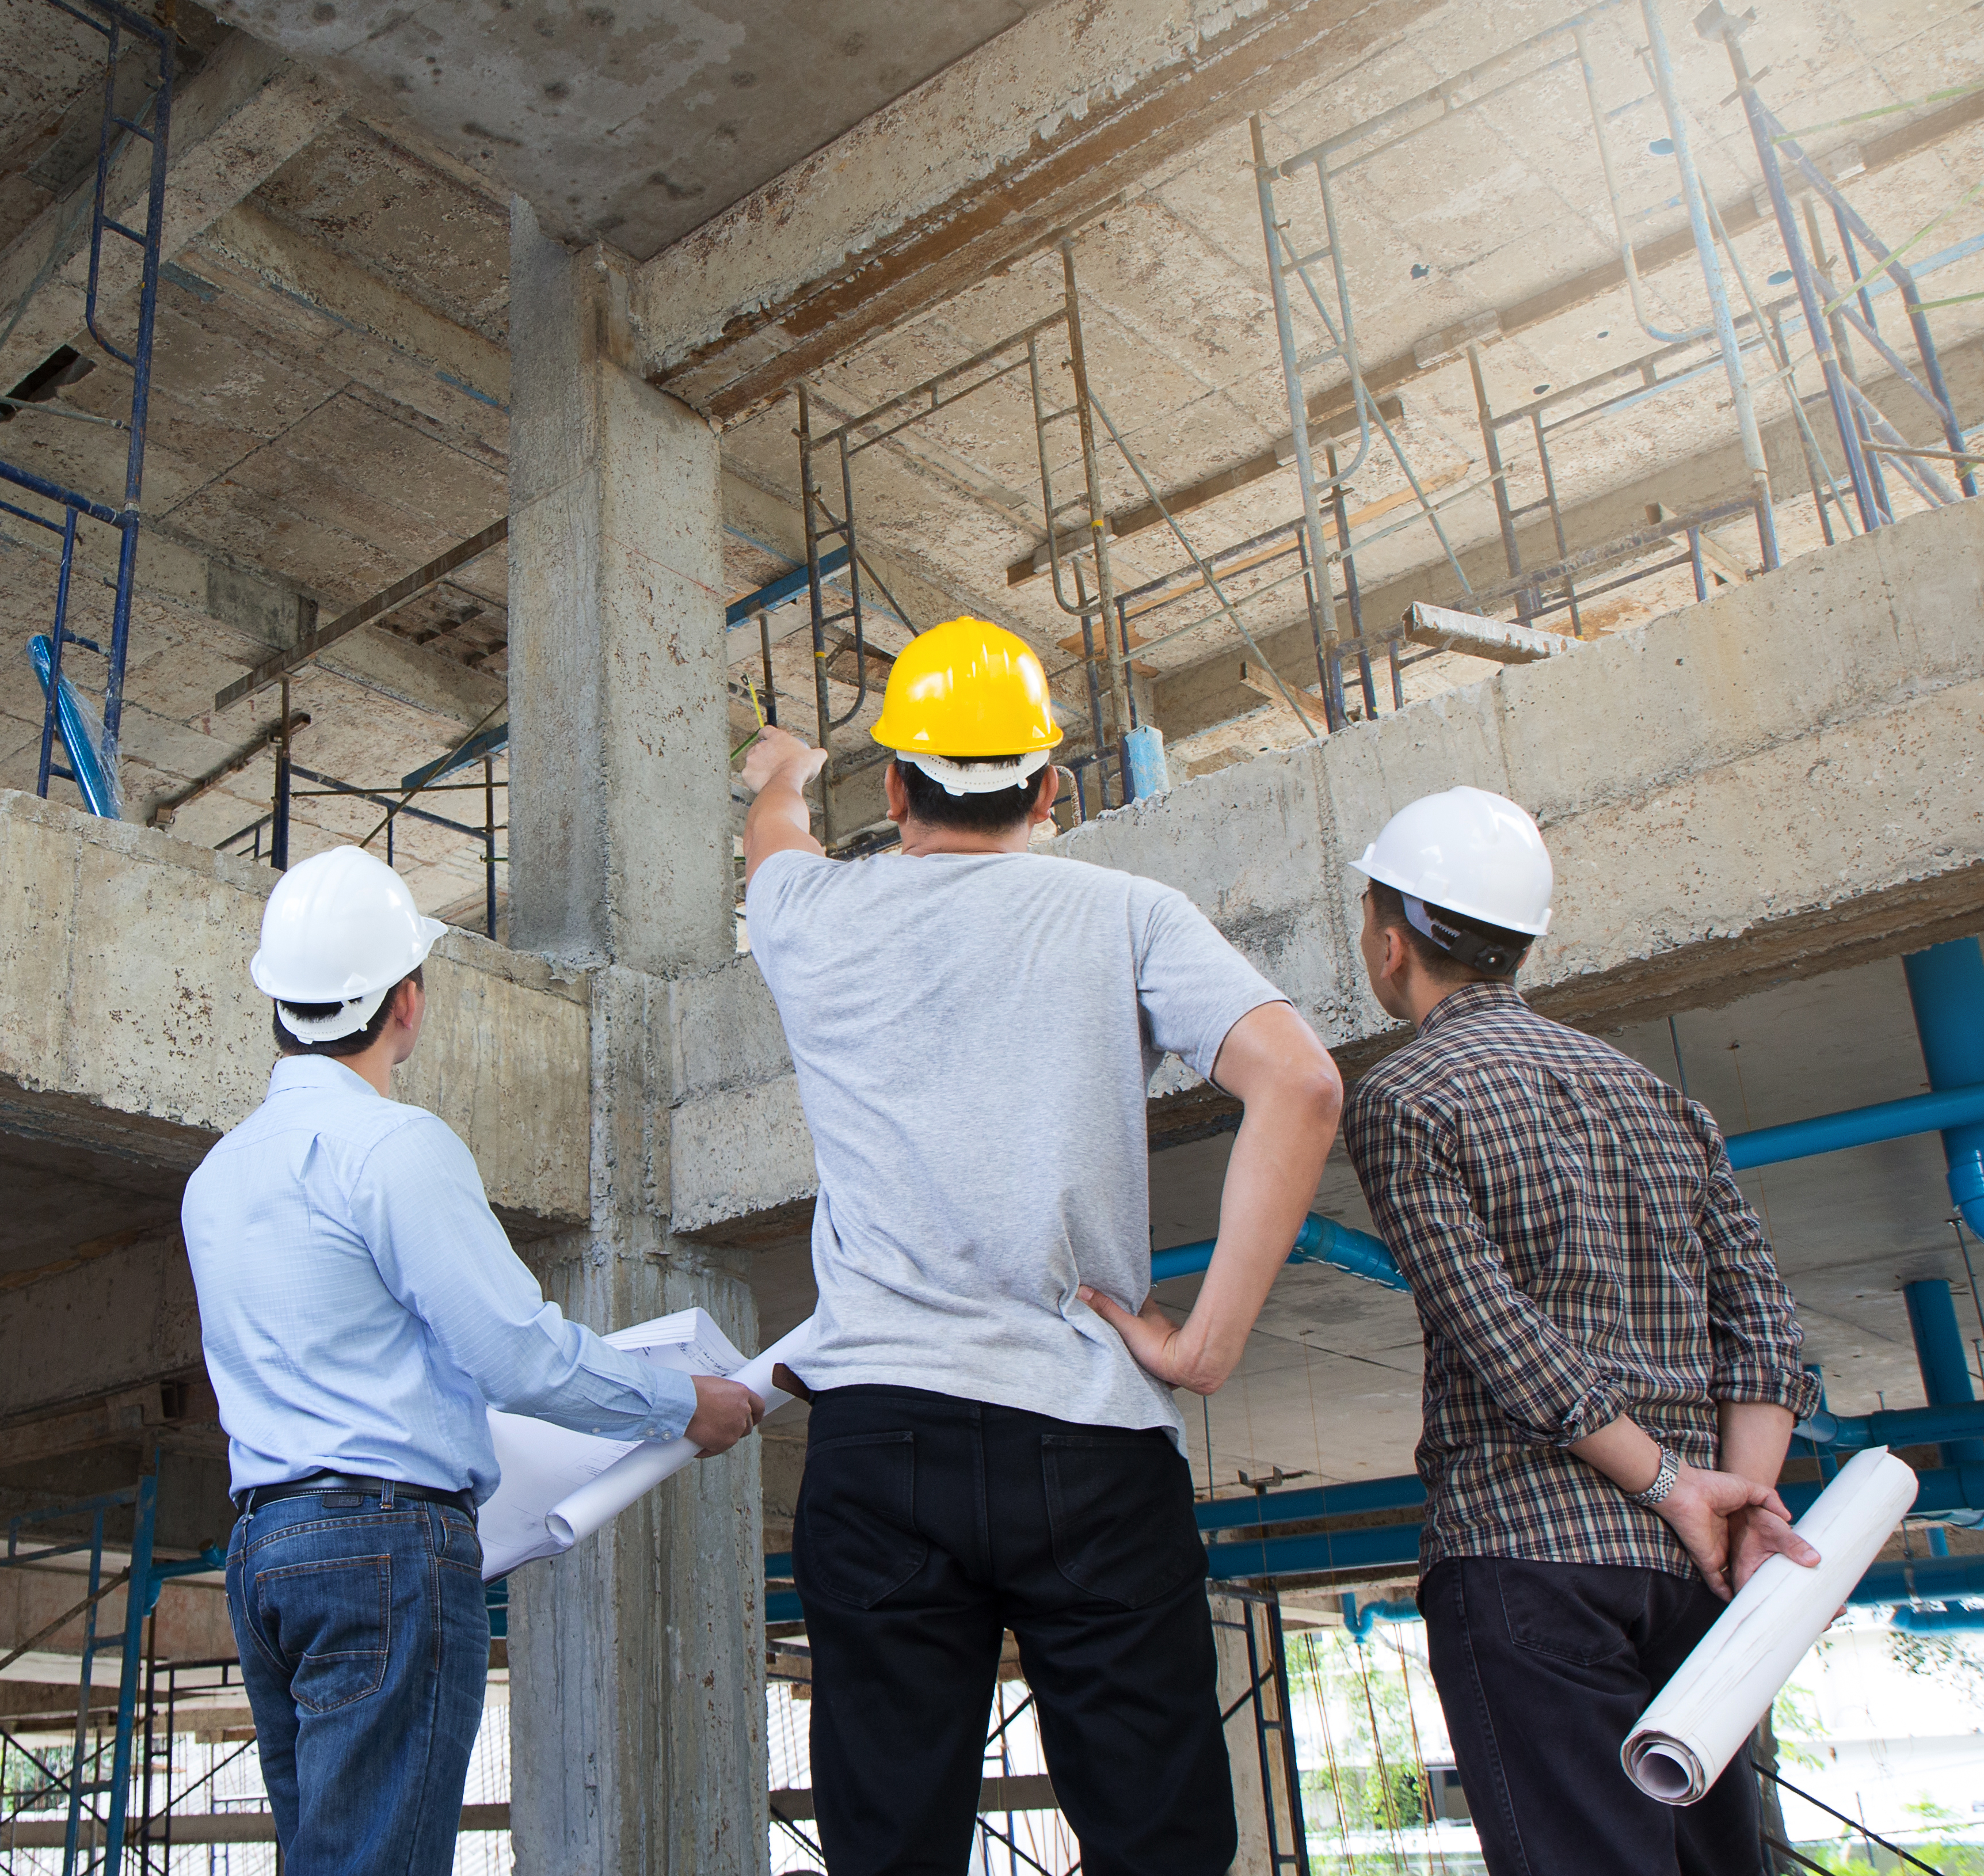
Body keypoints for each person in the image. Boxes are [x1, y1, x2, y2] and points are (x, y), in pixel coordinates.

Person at [736, 617, 1346, 1876]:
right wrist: (1206, 1343)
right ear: (1051, 787)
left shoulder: (810, 914)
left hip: (879, 1438)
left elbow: (772, 845)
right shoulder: (1125, 911)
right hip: (1090, 1435)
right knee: (1156, 1840)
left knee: (887, 1843)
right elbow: (1298, 1083)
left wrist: (783, 772)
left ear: (895, 786)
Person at [181, 845, 763, 1876]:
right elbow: (517, 1358)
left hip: (266, 1552)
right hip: (384, 1551)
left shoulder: (217, 1179)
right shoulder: (397, 1149)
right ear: (407, 1001)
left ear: (276, 1002)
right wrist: (683, 1406)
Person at [1339, 785, 1823, 1876]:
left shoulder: (1406, 1097)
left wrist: (1670, 1486)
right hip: (1698, 1579)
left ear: (1387, 938)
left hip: (1527, 1558)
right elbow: (1763, 1327)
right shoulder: (1660, 1100)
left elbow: (1499, 1338)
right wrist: (1734, 1503)